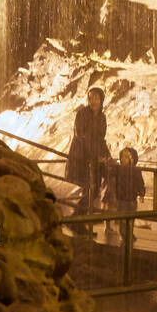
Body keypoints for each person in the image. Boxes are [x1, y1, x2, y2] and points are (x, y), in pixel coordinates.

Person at [65, 87, 110, 219]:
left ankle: (80, 218)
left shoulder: (102, 117)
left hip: (94, 156)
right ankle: (78, 219)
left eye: (96, 98)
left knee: (94, 188)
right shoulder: (82, 114)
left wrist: (105, 155)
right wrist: (94, 156)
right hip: (81, 155)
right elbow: (81, 136)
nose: (93, 101)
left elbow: (101, 138)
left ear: (101, 100)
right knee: (88, 187)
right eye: (90, 98)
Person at [102, 147, 146, 245]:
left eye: (125, 157)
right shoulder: (118, 168)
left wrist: (141, 193)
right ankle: (124, 234)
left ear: (132, 159)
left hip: (132, 199)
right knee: (122, 218)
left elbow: (140, 182)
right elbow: (110, 172)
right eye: (122, 157)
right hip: (121, 198)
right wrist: (107, 165)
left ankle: (129, 234)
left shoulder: (136, 170)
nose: (123, 159)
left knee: (131, 218)